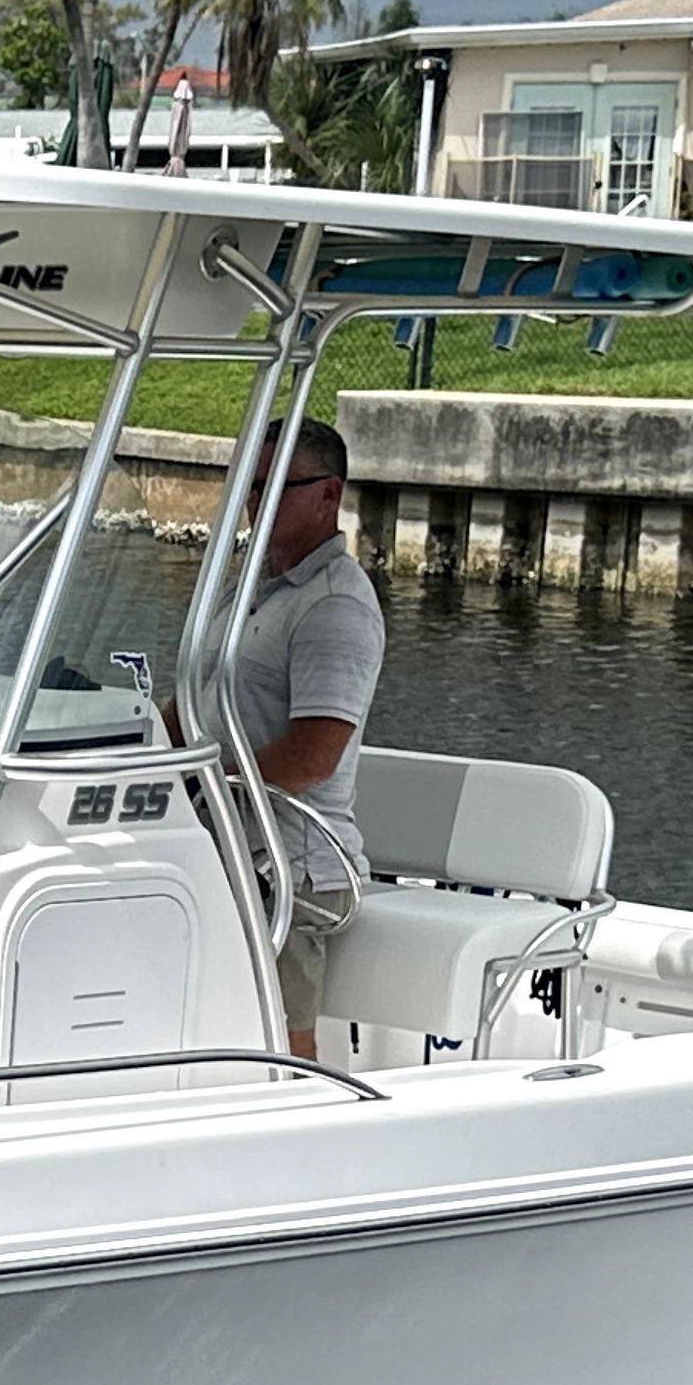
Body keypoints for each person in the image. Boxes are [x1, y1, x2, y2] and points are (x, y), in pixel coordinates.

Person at [227, 420, 383, 1055]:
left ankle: (300, 1118)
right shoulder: (247, 589)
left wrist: (209, 789)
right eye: (249, 486)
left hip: (293, 866)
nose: (255, 504)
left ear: (328, 495)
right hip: (230, 843)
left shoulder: (334, 608)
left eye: (273, 488)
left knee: (279, 1040)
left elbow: (314, 755)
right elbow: (196, 702)